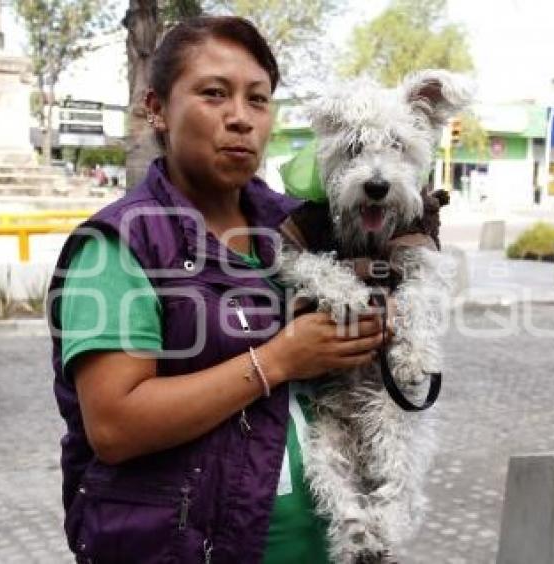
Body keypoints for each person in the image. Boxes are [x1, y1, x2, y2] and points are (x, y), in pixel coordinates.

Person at [46, 16, 385, 564]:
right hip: (184, 547)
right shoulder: (123, 245)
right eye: (213, 94)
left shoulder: (298, 229)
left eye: (258, 100)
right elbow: (114, 424)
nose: (240, 119)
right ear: (156, 108)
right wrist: (279, 359)